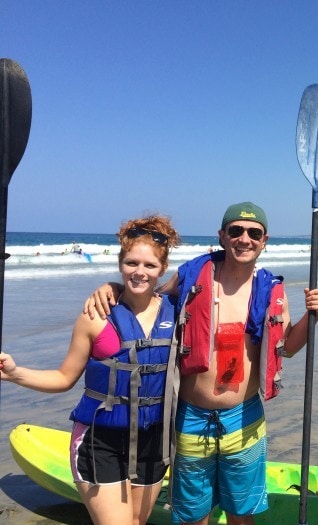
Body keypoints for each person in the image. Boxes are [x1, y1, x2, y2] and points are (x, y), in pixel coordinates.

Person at [85, 202, 318, 525]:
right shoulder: (191, 278)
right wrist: (112, 287)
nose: (245, 239)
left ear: (264, 240)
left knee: (242, 514)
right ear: (222, 236)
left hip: (245, 418)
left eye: (254, 233)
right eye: (236, 231)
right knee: (193, 515)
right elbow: (145, 294)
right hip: (191, 417)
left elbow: (289, 349)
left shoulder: (270, 291)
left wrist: (313, 318)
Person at [1, 215, 181, 524]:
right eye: (131, 263)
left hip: (153, 440)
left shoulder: (177, 312)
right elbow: (63, 378)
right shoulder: (95, 315)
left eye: (149, 266)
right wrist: (14, 373)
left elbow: (215, 269)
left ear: (162, 270)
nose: (139, 272)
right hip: (101, 440)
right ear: (120, 262)